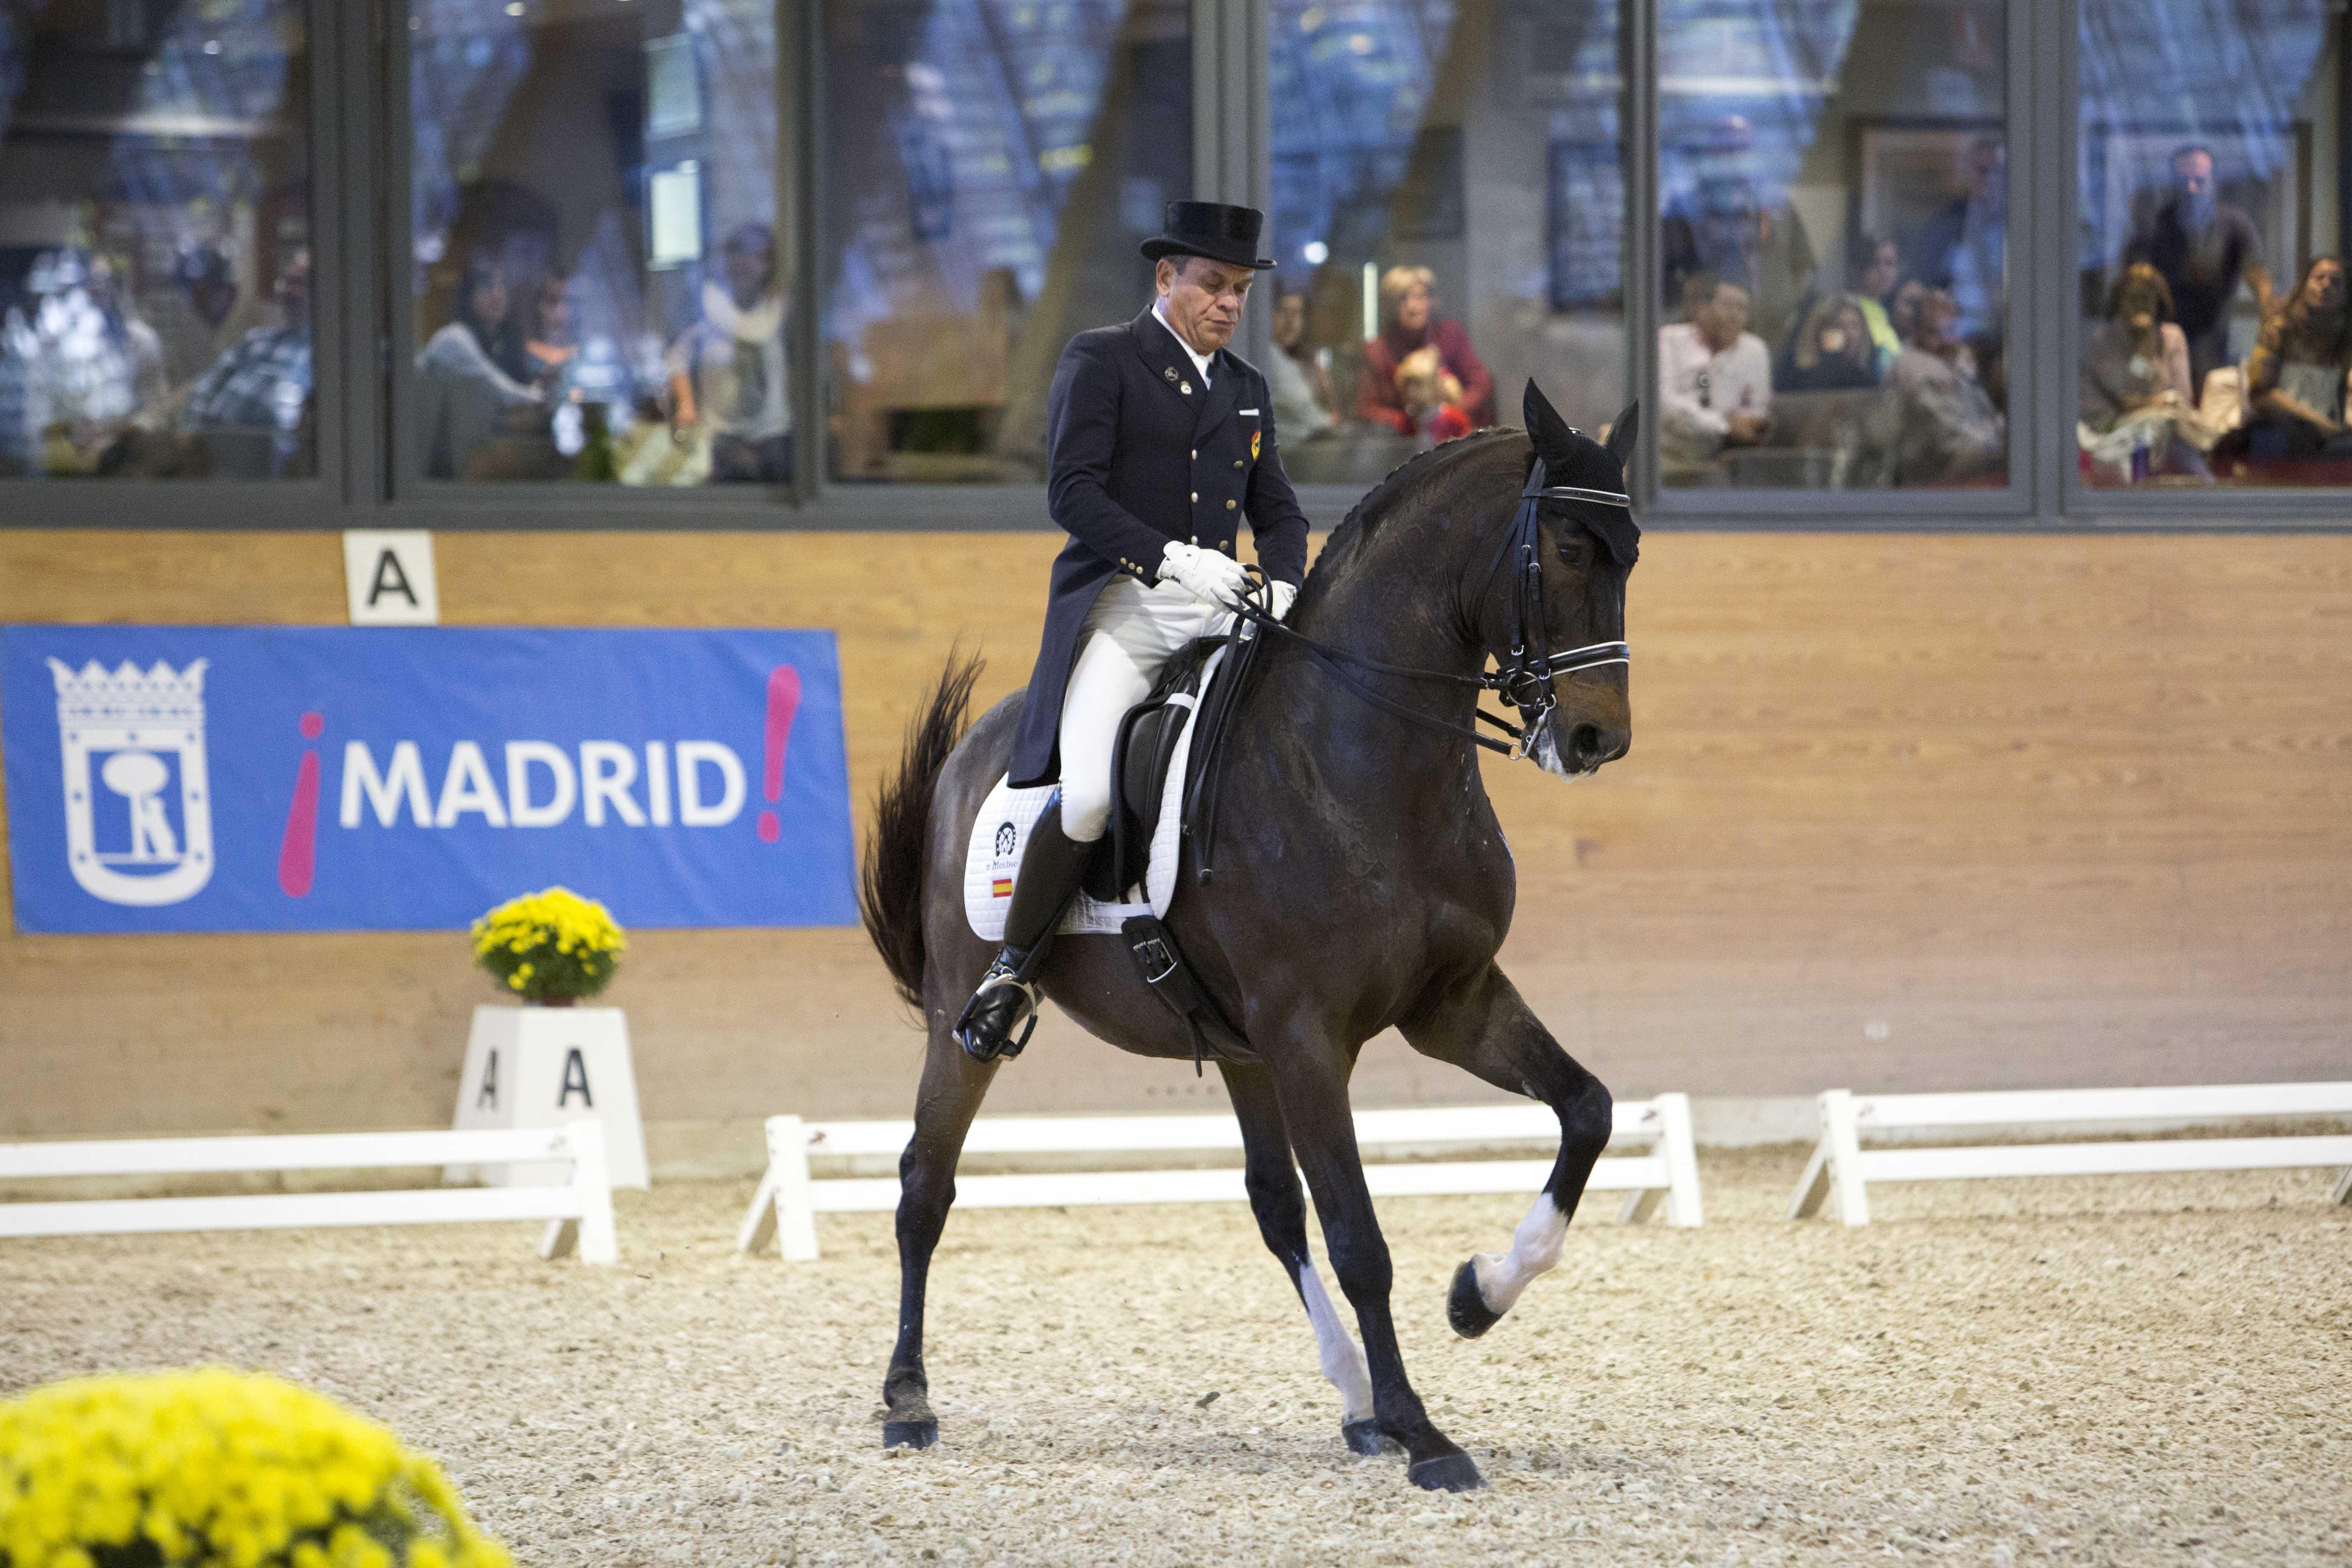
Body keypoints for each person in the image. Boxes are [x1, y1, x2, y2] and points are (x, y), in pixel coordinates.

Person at [955, 201, 1311, 1063]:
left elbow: (1281, 513)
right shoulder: (1104, 360)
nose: (1229, 305)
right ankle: (1012, 971)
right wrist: (1175, 559)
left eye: (1240, 291)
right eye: (1214, 286)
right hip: (1123, 606)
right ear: (1167, 279)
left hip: (1224, 609)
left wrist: (1292, 587)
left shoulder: (1247, 391)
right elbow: (1071, 494)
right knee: (1086, 797)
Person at [2127, 144, 2272, 392]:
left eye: (2200, 181)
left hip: (2214, 331)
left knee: (2209, 392)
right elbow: (2135, 277)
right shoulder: (2157, 224)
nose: (2192, 189)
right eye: (2184, 181)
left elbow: (2257, 273)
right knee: (2159, 392)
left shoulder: (2233, 222)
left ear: (2214, 182)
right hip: (2162, 330)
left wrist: (2270, 315)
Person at [664, 222, 790, 483]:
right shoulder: (707, 308)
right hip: (721, 442)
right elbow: (678, 358)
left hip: (775, 439)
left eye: (758, 255)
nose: (747, 262)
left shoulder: (781, 312)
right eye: (740, 253)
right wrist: (686, 404)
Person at [180, 245, 315, 477]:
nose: (291, 292)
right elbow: (205, 389)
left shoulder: (325, 355)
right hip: (212, 462)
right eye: (289, 281)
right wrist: (190, 438)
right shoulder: (256, 340)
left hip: (273, 478)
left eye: (302, 284)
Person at [2079, 262, 2213, 480]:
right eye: (2134, 298)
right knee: (2166, 421)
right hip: (2110, 431)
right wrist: (2143, 351)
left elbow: (2184, 396)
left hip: (2169, 429)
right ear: (2120, 300)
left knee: (2173, 421)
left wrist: (2165, 400)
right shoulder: (2104, 340)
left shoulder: (2172, 336)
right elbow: (2126, 401)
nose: (2140, 306)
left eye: (2147, 298)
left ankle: (2202, 476)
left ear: (2158, 301)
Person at [415, 254, 543, 477]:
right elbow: (497, 387)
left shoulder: (501, 343)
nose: (497, 294)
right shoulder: (453, 338)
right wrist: (540, 397)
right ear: (468, 295)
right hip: (435, 473)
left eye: (502, 286)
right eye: (486, 286)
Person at [1886, 285, 2004, 485]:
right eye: (1936, 306)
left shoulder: (1959, 362)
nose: (1946, 312)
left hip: (1969, 474)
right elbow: (1948, 439)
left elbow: (1986, 416)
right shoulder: (1912, 368)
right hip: (1934, 486)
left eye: (1950, 307)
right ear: (1917, 325)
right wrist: (2003, 444)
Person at [1354, 265, 1493, 434]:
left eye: (1420, 297)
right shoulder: (1377, 350)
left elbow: (1481, 385)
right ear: (1391, 304)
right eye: (1402, 299)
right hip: (1400, 445)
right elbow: (1365, 408)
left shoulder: (1451, 335)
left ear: (1431, 300)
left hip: (1453, 439)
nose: (1412, 307)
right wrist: (1405, 423)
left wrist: (1450, 413)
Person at [2243, 255, 2352, 462]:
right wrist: (2318, 422)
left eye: (2336, 282)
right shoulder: (2279, 328)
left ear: (2345, 295)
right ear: (2304, 285)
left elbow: (2335, 407)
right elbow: (2260, 396)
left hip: (2323, 439)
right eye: (2319, 278)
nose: (2326, 285)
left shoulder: (2343, 338)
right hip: (2278, 429)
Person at [1659, 275, 1772, 467]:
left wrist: (1743, 425)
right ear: (1703, 310)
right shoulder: (1669, 340)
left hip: (1725, 464)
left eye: (1742, 309)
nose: (1735, 316)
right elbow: (1664, 404)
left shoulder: (1755, 350)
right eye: (1728, 306)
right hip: (1668, 461)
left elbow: (1757, 412)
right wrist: (1725, 425)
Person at [1906, 137, 2007, 347]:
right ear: (1969, 173)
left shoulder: (2025, 226)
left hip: (2010, 341)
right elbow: (1924, 284)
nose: (1989, 179)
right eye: (1981, 170)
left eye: (1997, 171)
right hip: (1953, 340)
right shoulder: (1945, 224)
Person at [1268, 286, 1337, 441]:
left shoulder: (1309, 361)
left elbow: (1331, 407)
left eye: (1298, 313)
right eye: (1283, 311)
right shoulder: (1270, 355)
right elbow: (1312, 416)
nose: (1290, 320)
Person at [1774, 293, 1879, 393]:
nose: (1849, 334)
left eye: (1854, 326)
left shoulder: (1867, 375)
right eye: (1839, 326)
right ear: (1820, 332)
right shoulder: (1796, 376)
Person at [1395, 344, 1473, 447]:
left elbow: (1469, 448)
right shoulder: (1408, 420)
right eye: (1409, 384)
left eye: (1418, 384)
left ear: (1434, 384)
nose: (1413, 391)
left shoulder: (1454, 418)